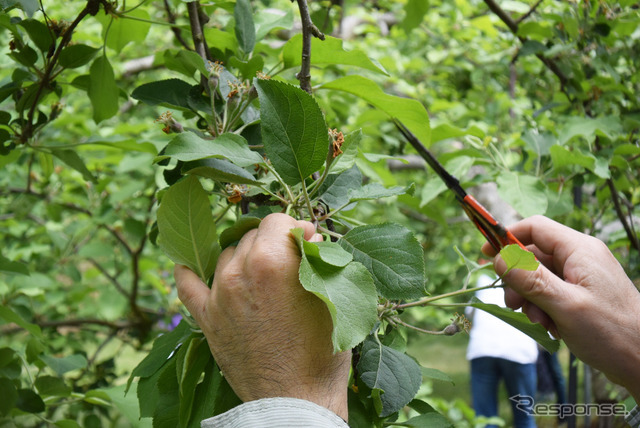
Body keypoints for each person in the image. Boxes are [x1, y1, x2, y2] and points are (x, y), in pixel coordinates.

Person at [175, 214, 640, 427]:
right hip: (509, 353)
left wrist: (292, 403)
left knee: (494, 414)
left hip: (493, 353)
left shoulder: (490, 285)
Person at [466, 274, 539, 427]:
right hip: (519, 351)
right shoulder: (532, 279)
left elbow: (469, 312)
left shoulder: (484, 278)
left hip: (483, 348)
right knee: (524, 416)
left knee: (485, 419)